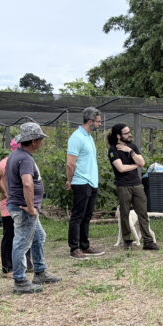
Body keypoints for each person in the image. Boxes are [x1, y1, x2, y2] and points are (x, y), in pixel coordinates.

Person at [6, 121, 61, 294]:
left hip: (23, 206)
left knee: (38, 237)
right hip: (25, 209)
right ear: (35, 141)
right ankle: (20, 281)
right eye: (41, 139)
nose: (42, 142)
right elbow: (27, 184)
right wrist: (30, 207)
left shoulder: (16, 155)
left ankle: (40, 271)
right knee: (22, 242)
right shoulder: (24, 158)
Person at [107, 122, 159, 251]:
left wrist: (130, 151)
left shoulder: (132, 147)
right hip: (123, 186)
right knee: (124, 214)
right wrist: (135, 166)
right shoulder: (113, 150)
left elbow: (142, 162)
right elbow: (121, 168)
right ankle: (127, 241)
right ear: (118, 136)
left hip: (137, 184)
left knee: (142, 213)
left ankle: (148, 241)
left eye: (130, 132)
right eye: (126, 133)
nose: (130, 135)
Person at [0, 136, 30, 275]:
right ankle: (8, 268)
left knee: (26, 234)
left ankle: (26, 264)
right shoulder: (8, 161)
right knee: (10, 235)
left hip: (23, 204)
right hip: (10, 205)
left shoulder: (22, 159)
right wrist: (4, 192)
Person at [65, 106, 104, 259]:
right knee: (77, 216)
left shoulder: (88, 136)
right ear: (90, 121)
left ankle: (84, 245)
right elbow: (70, 163)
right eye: (98, 122)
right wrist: (70, 180)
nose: (100, 125)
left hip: (92, 182)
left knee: (87, 216)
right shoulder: (76, 137)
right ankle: (74, 248)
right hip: (81, 182)